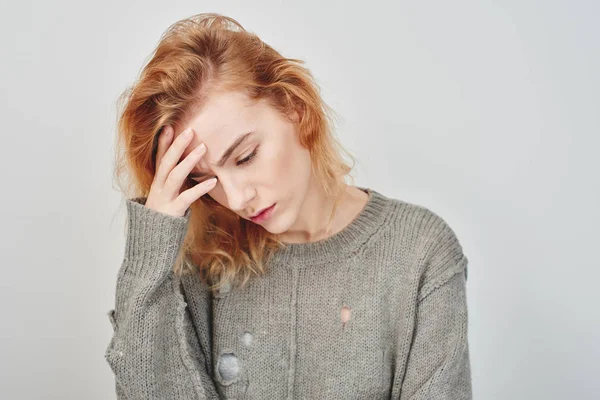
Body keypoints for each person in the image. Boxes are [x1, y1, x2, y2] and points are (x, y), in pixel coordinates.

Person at [105, 13, 472, 400]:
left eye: (245, 156)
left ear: (294, 106)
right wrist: (151, 250)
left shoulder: (419, 252)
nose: (234, 198)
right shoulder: (201, 264)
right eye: (202, 179)